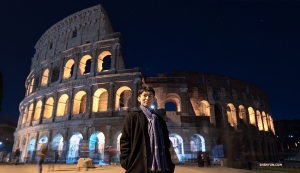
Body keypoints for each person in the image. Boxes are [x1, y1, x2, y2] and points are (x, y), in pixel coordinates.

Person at [120, 86, 175, 173]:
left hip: (160, 167)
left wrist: (170, 163)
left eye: (150, 96)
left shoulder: (160, 120)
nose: (147, 98)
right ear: (139, 98)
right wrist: (127, 161)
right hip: (137, 165)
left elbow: (166, 143)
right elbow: (125, 140)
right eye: (145, 95)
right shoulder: (132, 117)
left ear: (153, 99)